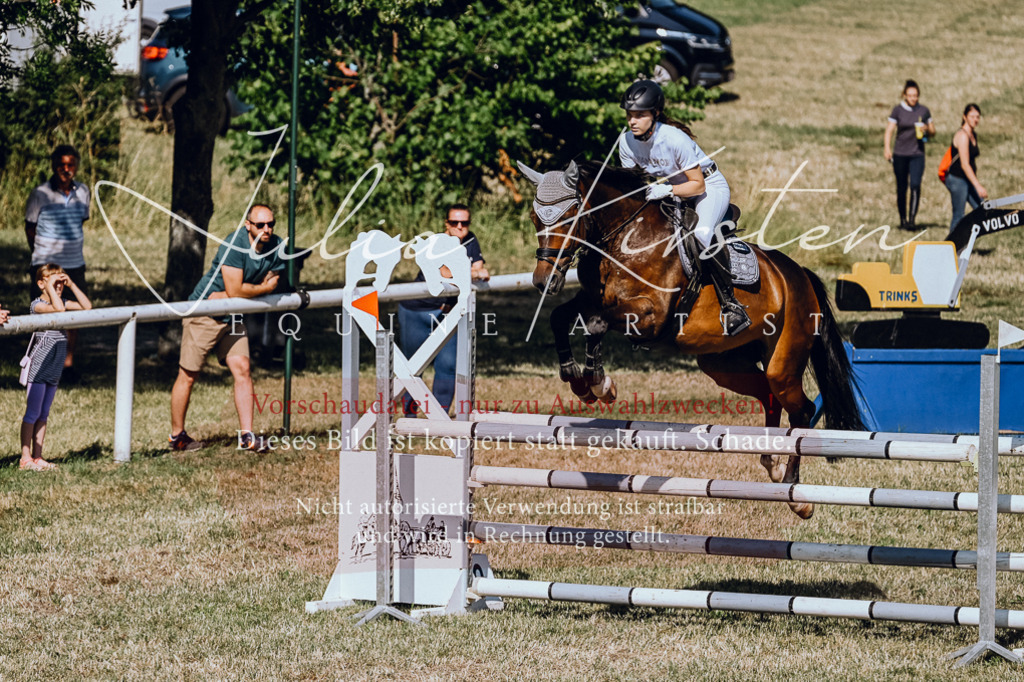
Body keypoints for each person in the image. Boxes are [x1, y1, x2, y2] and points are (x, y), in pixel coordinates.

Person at [618, 79, 749, 336]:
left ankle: (732, 305)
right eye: (629, 115)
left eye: (640, 115)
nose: (633, 121)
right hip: (669, 191)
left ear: (655, 114)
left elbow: (697, 185)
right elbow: (632, 185)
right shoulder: (626, 143)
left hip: (706, 188)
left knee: (701, 236)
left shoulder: (674, 139)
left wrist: (666, 189)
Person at [169, 204, 286, 452]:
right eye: (261, 225)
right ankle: (177, 436)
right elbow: (236, 291)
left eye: (271, 224)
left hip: (232, 315)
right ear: (248, 225)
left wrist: (244, 292)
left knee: (243, 369)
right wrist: (260, 290)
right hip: (205, 313)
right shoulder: (235, 244)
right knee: (188, 375)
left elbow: (271, 282)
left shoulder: (276, 245)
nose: (267, 229)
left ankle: (247, 437)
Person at [398, 204, 489, 417]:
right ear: (446, 224)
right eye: (454, 222)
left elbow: (481, 267)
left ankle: (439, 418)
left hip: (449, 312)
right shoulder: (436, 243)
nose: (460, 227)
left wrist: (470, 272)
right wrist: (472, 272)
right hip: (418, 309)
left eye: (464, 223)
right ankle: (409, 418)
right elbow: (446, 273)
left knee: (448, 366)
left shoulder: (470, 240)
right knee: (413, 367)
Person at [25, 145, 91, 374]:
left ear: (76, 166)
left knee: (75, 315)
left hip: (74, 263)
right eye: (61, 164)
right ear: (54, 166)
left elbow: (80, 220)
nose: (66, 169)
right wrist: (41, 259)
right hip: (45, 263)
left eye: (70, 164)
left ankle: (67, 363)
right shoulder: (40, 193)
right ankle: (38, 363)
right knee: (43, 312)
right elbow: (30, 227)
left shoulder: (83, 192)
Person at [20, 264, 92, 471]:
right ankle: (25, 457)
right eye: (53, 282)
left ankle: (38, 456)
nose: (58, 286)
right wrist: (52, 287)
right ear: (41, 284)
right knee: (32, 413)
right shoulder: (38, 305)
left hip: (54, 366)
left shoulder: (62, 301)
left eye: (60, 282)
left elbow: (87, 306)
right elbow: (58, 310)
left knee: (44, 414)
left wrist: (72, 284)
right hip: (39, 366)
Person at [883, 80, 935, 230]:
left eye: (916, 95)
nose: (913, 98)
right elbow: (890, 130)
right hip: (900, 154)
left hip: (917, 154)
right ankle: (902, 219)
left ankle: (912, 220)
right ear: (905, 95)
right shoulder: (898, 110)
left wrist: (926, 128)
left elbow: (933, 132)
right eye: (910, 95)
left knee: (915, 185)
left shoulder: (923, 111)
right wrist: (887, 148)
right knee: (901, 187)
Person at [943, 103, 987, 232]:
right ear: (964, 116)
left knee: (981, 209)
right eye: (972, 116)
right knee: (959, 215)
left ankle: (967, 241)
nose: (975, 119)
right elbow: (965, 164)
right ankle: (951, 248)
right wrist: (978, 186)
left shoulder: (973, 134)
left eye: (977, 117)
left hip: (967, 179)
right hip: (957, 179)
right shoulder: (962, 135)